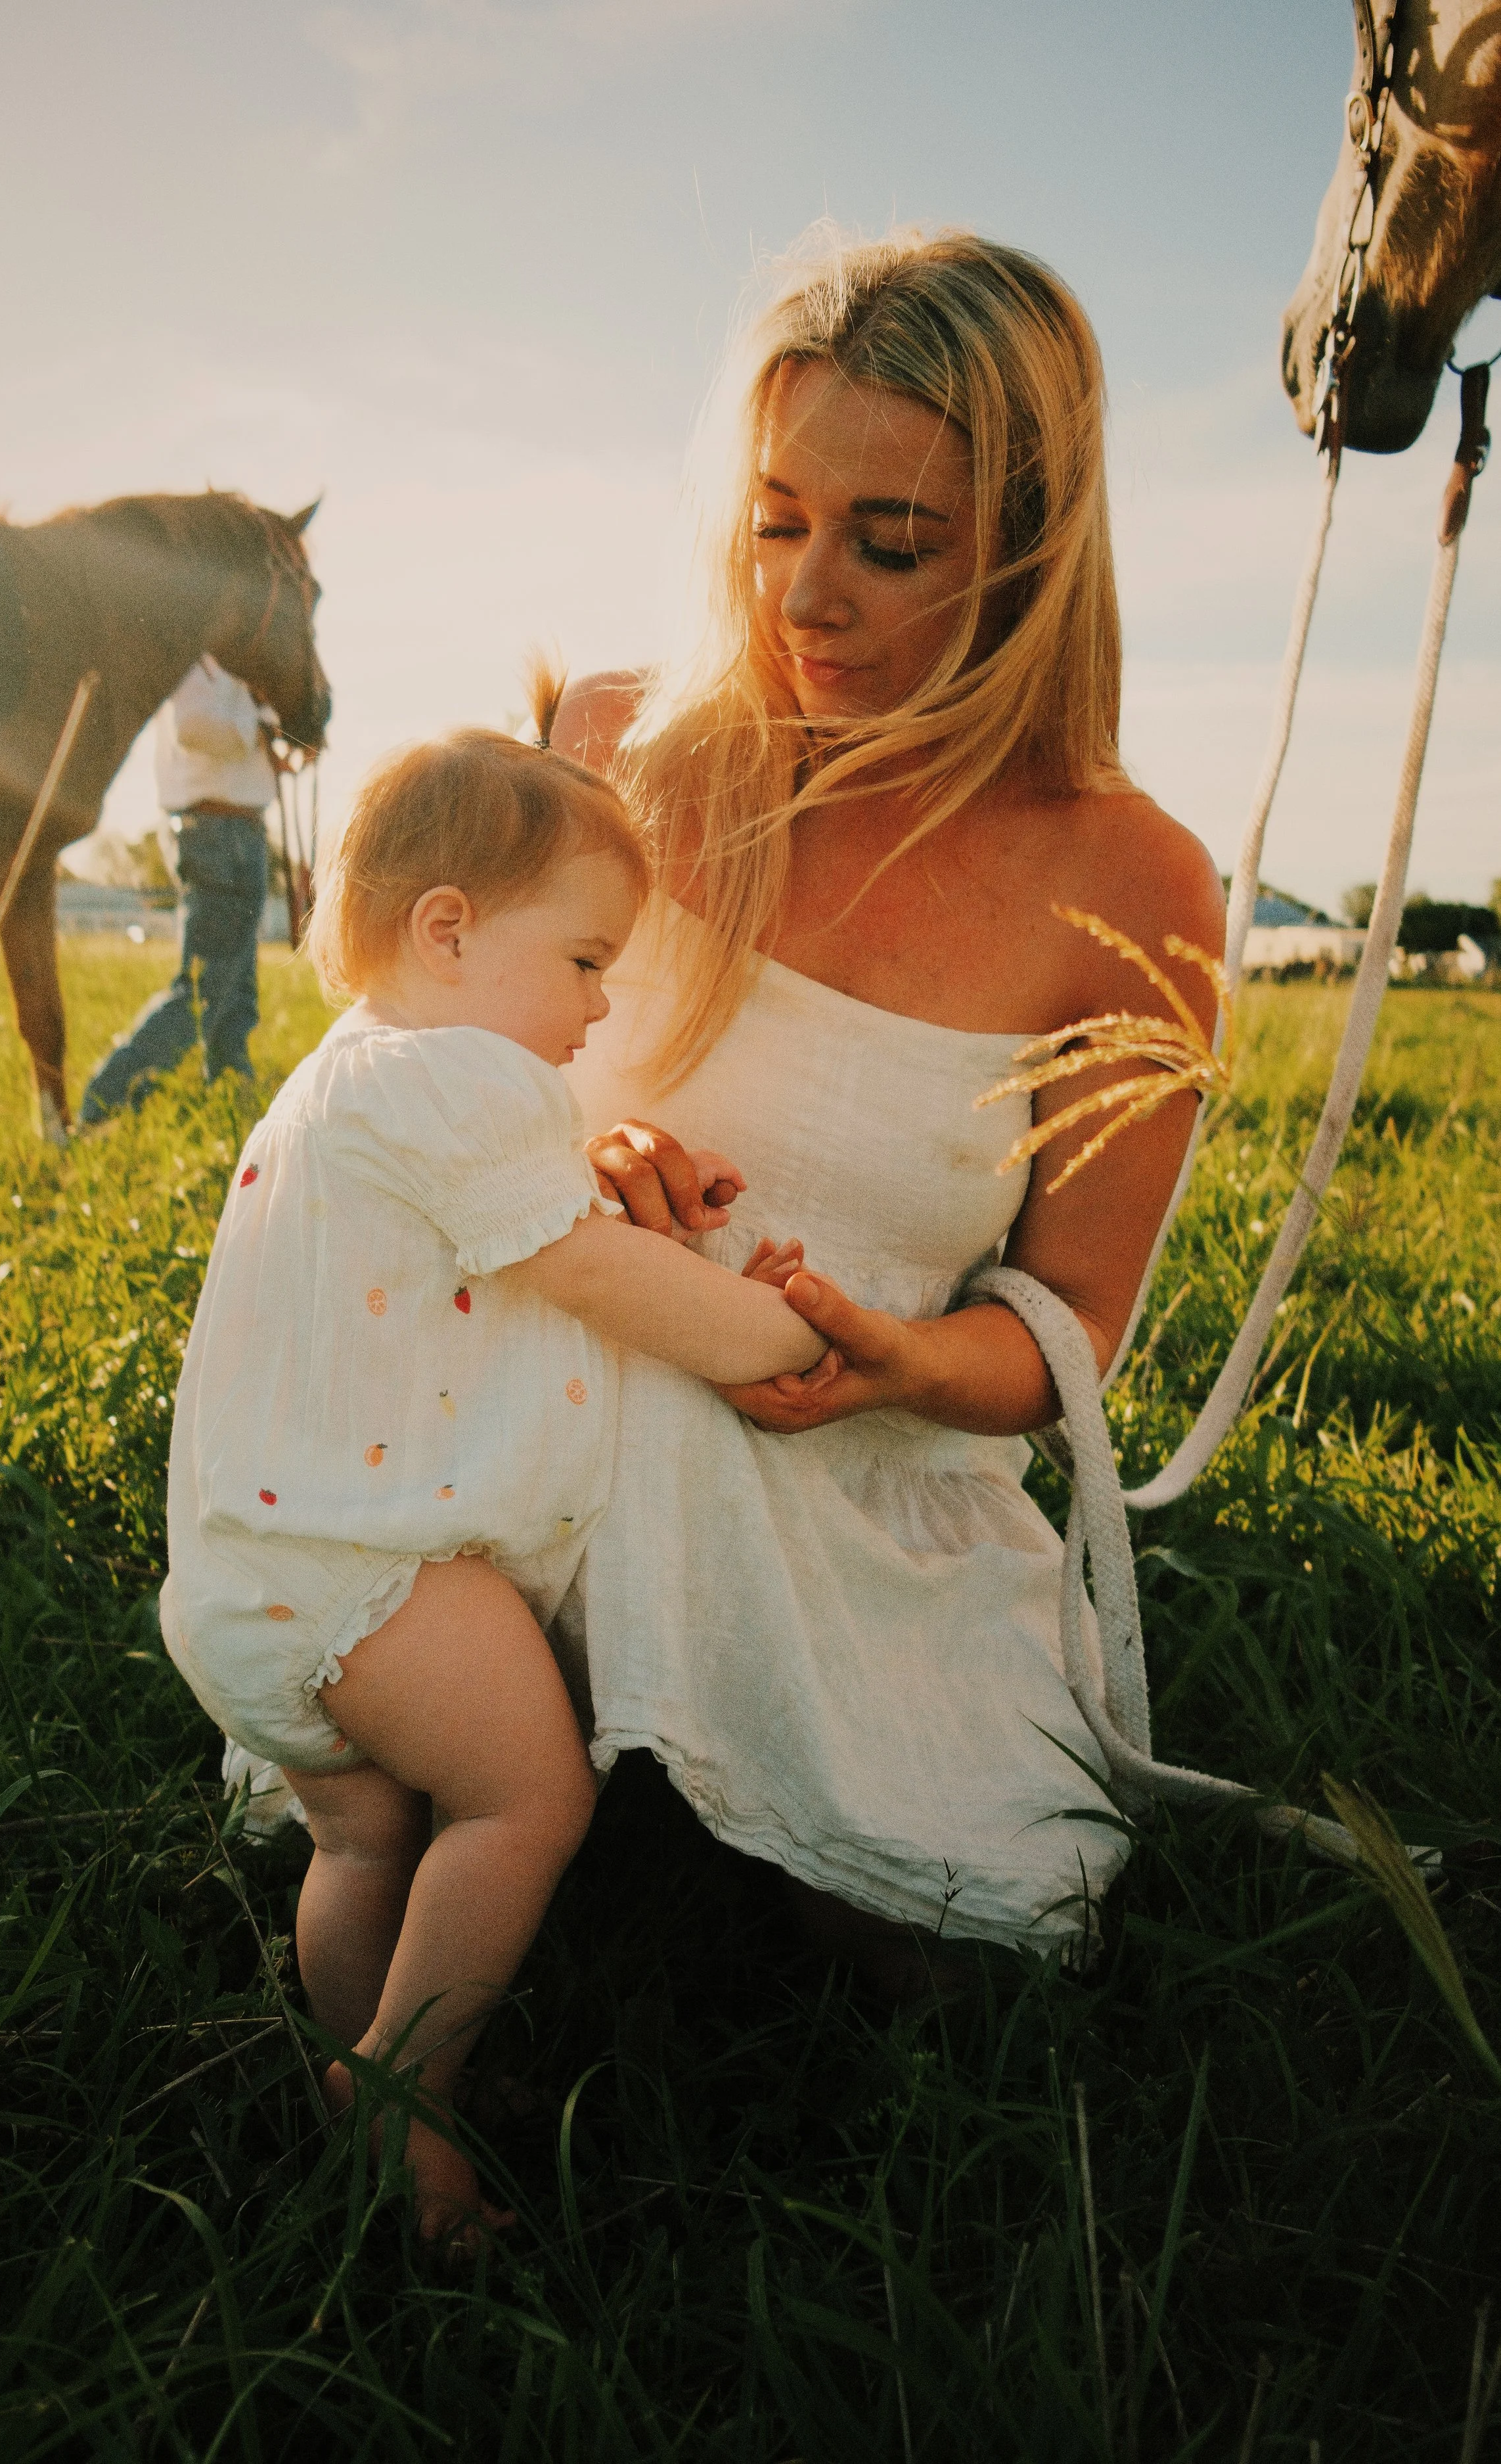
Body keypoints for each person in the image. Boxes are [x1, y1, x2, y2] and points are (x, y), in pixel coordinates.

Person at [553, 227, 1226, 1991]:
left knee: (966, 1936)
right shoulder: (618, 743)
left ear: (1028, 547)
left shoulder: (1136, 880)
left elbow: (1069, 1322)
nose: (805, 597)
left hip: (863, 1474)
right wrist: (568, 1152)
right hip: (540, 1396)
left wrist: (899, 1361)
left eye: (891, 541)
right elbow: (432, 1081)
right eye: (774, 522)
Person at [160, 669, 828, 2239]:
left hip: (249, 1581)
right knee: (526, 1803)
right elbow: (595, 1276)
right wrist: (777, 1331)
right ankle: (406, 2102)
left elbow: (534, 1225)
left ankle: (372, 2077)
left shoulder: (349, 1074)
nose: (600, 1010)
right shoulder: (463, 1080)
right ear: (449, 930)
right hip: (370, 1573)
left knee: (367, 1835)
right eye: (586, 962)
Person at [80, 656, 281, 1122]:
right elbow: (193, 727)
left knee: (237, 986)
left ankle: (231, 1090)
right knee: (204, 988)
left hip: (236, 830)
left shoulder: (233, 667)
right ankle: (108, 1097)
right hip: (216, 830)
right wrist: (260, 725)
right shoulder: (204, 661)